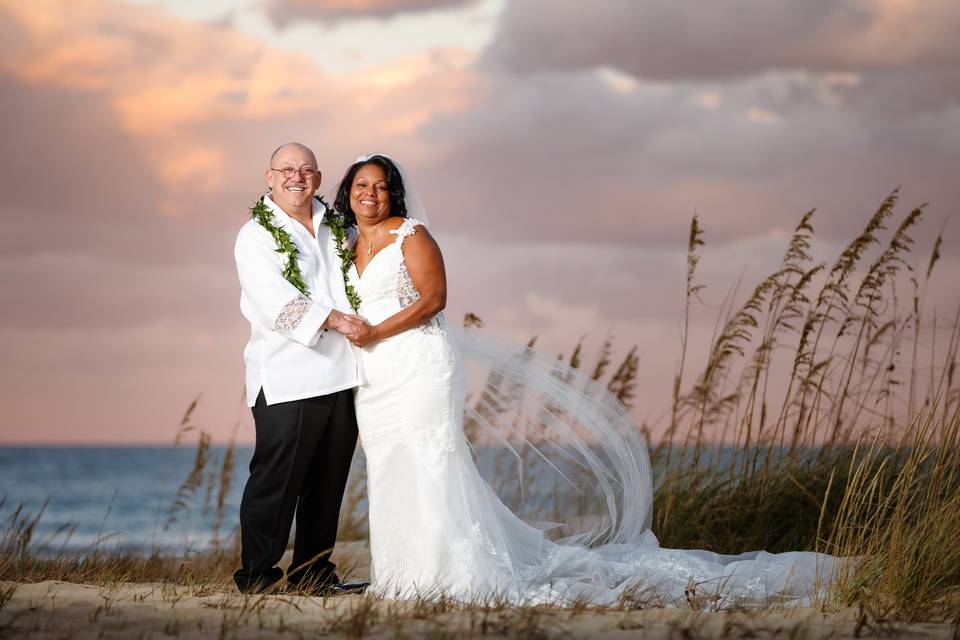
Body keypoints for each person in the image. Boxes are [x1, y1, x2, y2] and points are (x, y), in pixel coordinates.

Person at [330, 153, 842, 607]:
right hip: (376, 377)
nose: (369, 194)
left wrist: (376, 329)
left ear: (391, 191)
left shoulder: (411, 235)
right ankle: (401, 574)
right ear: (348, 193)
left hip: (419, 365)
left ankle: (443, 571)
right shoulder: (348, 245)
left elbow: (434, 299)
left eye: (378, 185)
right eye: (360, 186)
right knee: (390, 463)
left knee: (431, 458)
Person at [232, 142, 368, 595]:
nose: (297, 177)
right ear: (269, 177)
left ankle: (312, 574)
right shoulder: (255, 235)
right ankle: (257, 577)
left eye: (307, 170)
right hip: (288, 378)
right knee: (277, 483)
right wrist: (333, 319)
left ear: (318, 177)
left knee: (326, 486)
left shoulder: (334, 226)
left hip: (343, 373)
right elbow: (273, 302)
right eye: (287, 169)